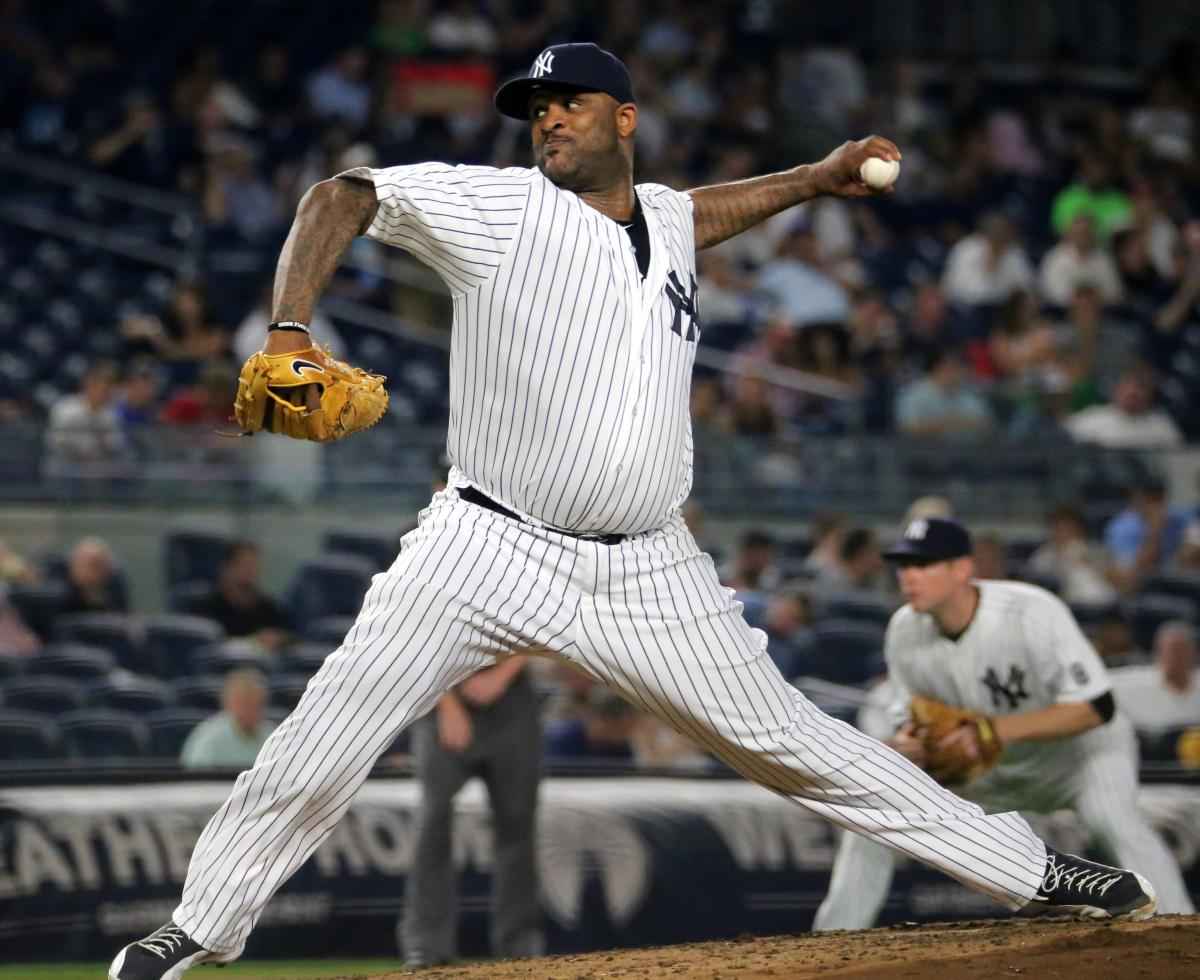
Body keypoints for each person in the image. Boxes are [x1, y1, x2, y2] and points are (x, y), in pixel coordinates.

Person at [110, 43, 1160, 980]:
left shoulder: (661, 213)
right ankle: (194, 928)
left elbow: (702, 212)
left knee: (801, 742)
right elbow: (340, 194)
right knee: (330, 729)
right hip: (487, 542)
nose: (549, 117)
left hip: (651, 568)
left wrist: (817, 178)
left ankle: (1033, 871)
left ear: (625, 119)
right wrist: (292, 324)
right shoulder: (503, 209)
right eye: (537, 107)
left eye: (571, 101)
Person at [813, 518, 1192, 932]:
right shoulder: (905, 629)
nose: (909, 576)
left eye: (924, 564)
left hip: (1079, 758)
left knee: (1111, 818)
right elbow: (911, 716)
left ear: (961, 569)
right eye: (903, 565)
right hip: (989, 769)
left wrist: (992, 730)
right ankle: (833, 937)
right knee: (879, 807)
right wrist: (912, 743)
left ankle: (1184, 928)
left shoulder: (1029, 610)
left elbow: (1097, 707)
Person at [401, 655, 543, 968]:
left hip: (511, 699)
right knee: (432, 819)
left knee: (517, 824)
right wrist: (447, 703)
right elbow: (423, 636)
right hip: (440, 692)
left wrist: (503, 674)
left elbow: (542, 622)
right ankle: (426, 945)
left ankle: (519, 942)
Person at [1110, 621, 1200, 750]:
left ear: (1194, 653)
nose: (1176, 658)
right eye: (1171, 650)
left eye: (1182, 651)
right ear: (1158, 652)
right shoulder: (1131, 683)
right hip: (1147, 758)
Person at [188, 542, 290, 653]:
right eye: (244, 565)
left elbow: (291, 638)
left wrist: (280, 639)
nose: (250, 572)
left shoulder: (267, 607)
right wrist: (249, 642)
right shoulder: (205, 605)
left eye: (254, 566)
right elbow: (200, 645)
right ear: (226, 568)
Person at [180, 669, 276, 770]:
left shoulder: (273, 736)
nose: (250, 710)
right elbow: (194, 779)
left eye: (257, 704)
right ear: (228, 703)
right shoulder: (208, 739)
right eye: (244, 703)